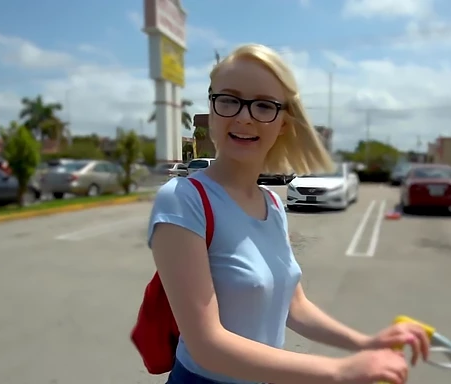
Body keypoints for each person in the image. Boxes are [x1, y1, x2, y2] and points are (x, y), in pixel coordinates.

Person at [148, 43, 430, 384]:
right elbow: (207, 345)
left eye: (264, 105)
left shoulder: (272, 203)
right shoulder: (183, 200)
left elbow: (294, 306)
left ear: (283, 122)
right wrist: (339, 371)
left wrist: (365, 343)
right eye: (229, 100)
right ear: (211, 107)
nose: (243, 116)